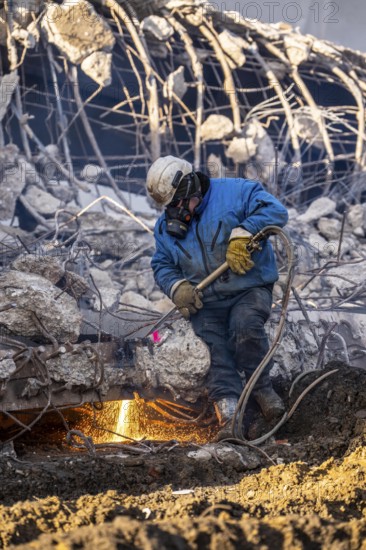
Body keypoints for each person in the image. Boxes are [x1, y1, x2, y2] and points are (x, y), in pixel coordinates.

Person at [147, 155, 288, 439]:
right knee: (213, 348)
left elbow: (276, 211)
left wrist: (245, 232)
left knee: (244, 327)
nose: (176, 212)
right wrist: (177, 288)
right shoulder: (166, 228)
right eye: (170, 206)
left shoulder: (237, 192)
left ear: (190, 186)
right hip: (207, 301)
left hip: (249, 289)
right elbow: (161, 264)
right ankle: (229, 415)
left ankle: (262, 391)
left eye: (178, 203)